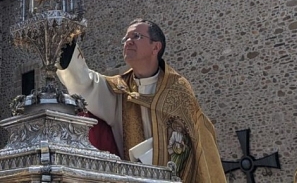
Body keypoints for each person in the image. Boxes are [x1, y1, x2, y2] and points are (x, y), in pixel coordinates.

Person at [56, 18, 226, 182]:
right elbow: (87, 84)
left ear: (155, 47)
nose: (128, 42)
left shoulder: (177, 90)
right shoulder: (119, 90)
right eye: (126, 38)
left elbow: (192, 142)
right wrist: (66, 48)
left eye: (136, 37)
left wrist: (149, 158)